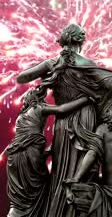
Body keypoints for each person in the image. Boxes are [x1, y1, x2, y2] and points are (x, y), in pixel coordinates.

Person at [16, 24, 112, 217]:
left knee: (60, 170)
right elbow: (110, 83)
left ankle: (56, 211)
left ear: (63, 40)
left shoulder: (53, 63)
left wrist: (47, 68)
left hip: (62, 122)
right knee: (86, 170)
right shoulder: (87, 63)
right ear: (80, 41)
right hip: (86, 119)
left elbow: (22, 78)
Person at [6, 86, 93, 217]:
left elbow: (27, 138)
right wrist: (85, 99)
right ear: (37, 99)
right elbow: (61, 109)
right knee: (39, 190)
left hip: (14, 158)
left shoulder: (21, 115)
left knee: (20, 200)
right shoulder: (39, 108)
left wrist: (49, 150)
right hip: (31, 155)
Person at [63, 102, 112, 217]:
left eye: (111, 108)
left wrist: (76, 178)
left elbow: (92, 154)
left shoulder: (103, 129)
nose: (107, 110)